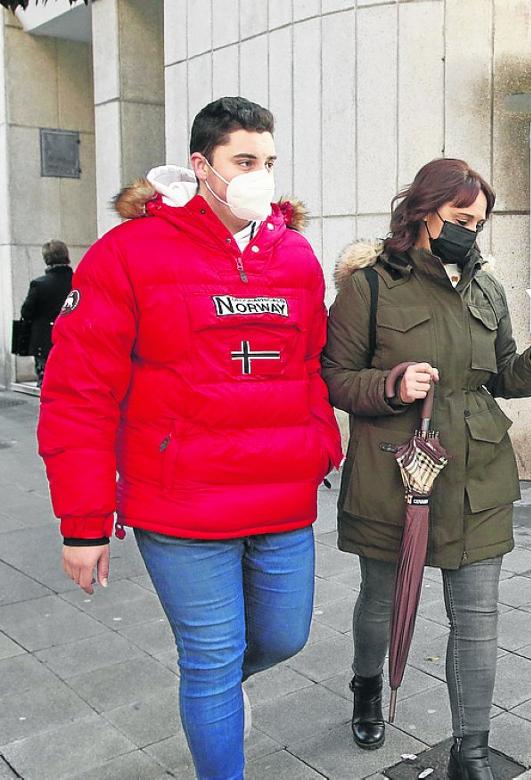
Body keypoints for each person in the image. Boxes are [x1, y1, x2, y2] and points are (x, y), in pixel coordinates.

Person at [37, 96, 343, 780]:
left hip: (280, 496)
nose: (259, 175)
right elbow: (80, 392)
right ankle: (218, 737)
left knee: (284, 637)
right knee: (209, 657)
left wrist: (320, 445)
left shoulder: (292, 255)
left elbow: (309, 366)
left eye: (268, 162)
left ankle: (219, 700)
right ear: (201, 166)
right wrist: (83, 520)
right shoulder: (129, 253)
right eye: (244, 161)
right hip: (181, 502)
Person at [322, 158, 531, 779]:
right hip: (392, 471)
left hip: (477, 472)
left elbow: (504, 378)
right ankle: (367, 686)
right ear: (422, 210)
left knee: (478, 614)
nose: (470, 232)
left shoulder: (487, 286)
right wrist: (393, 384)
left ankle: (472, 750)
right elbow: (335, 378)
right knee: (381, 598)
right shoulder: (369, 286)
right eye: (461, 218)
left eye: (479, 222)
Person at [18, 239, 73, 384]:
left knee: (48, 383)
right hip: (73, 339)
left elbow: (26, 312)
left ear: (46, 259)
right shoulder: (79, 281)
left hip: (45, 341)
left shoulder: (39, 284)